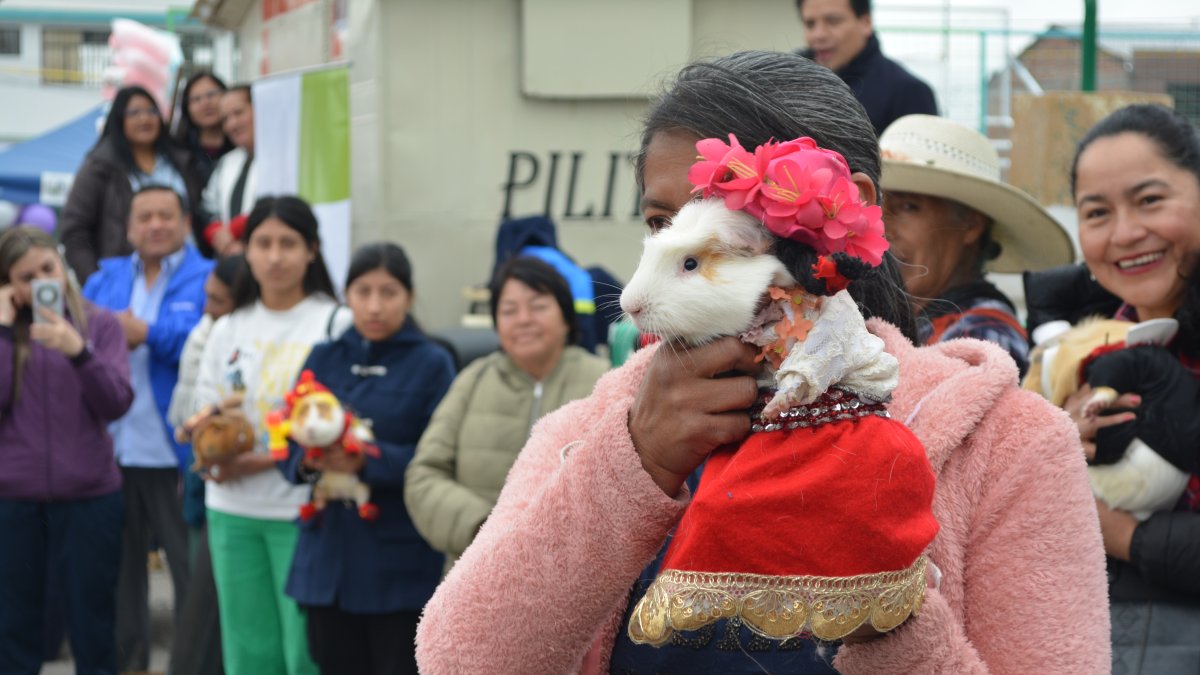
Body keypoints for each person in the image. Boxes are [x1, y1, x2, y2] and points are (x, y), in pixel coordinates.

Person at [414, 50, 1109, 674]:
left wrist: (888, 608)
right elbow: (459, 658)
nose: (675, 255)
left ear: (845, 211)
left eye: (722, 218)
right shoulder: (593, 423)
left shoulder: (1010, 446)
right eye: (661, 224)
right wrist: (632, 460)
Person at [1062, 103, 1200, 674]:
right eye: (1097, 212)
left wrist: (1118, 531)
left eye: (1150, 200)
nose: (1124, 234)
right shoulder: (1076, 350)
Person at [275, 242, 456, 675]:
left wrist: (367, 461)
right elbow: (287, 438)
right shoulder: (324, 356)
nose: (374, 306)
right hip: (326, 560)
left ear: (409, 297)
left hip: (398, 564)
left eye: (388, 292)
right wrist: (309, 460)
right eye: (362, 291)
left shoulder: (433, 363)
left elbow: (440, 456)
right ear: (346, 295)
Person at [192, 195, 347, 675]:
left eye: (288, 243)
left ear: (312, 251)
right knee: (248, 652)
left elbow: (343, 421)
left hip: (301, 511)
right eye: (263, 243)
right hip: (231, 511)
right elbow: (205, 402)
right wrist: (205, 439)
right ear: (246, 251)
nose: (275, 256)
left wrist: (262, 460)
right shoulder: (228, 327)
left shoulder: (334, 323)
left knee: (305, 654)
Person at [405, 257, 609, 575]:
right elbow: (424, 475)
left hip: (574, 575)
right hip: (477, 575)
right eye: (509, 310)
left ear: (566, 317)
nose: (523, 319)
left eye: (538, 306)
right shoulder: (472, 381)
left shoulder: (604, 382)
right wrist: (484, 529)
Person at [82, 184, 212, 671]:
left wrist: (148, 334)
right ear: (129, 226)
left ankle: (190, 664)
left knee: (188, 573)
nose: (155, 225)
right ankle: (129, 663)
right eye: (145, 217)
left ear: (183, 223)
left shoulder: (208, 276)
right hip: (111, 452)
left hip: (176, 452)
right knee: (119, 575)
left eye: (165, 215)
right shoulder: (103, 279)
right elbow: (79, 336)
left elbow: (211, 341)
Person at [0, 226, 133, 675]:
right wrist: (2, 332)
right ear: (8, 285)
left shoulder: (99, 324)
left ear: (62, 266)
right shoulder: (4, 334)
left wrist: (80, 354)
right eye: (25, 276)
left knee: (92, 622)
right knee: (14, 623)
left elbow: (116, 402)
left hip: (89, 496)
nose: (41, 282)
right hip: (14, 498)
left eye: (47, 269)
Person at [877, 114, 1074, 375]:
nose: (880, 226)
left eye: (908, 207)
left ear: (971, 224)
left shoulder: (981, 340)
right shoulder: (898, 321)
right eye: (876, 204)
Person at [167, 253, 244, 675]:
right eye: (206, 298)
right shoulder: (208, 332)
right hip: (204, 474)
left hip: (243, 485)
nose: (207, 308)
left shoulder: (238, 338)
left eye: (218, 300)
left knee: (218, 598)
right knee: (203, 590)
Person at [60, 85, 202, 282]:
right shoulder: (100, 166)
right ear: (119, 119)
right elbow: (74, 231)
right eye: (134, 112)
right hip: (127, 283)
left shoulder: (181, 161)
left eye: (151, 111)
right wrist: (97, 284)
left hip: (188, 277)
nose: (144, 118)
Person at [797, 0, 937, 135]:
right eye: (810, 24)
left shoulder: (909, 91)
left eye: (833, 21)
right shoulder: (793, 82)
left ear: (866, 23)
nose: (819, 35)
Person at [201, 85, 257, 258]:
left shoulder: (284, 156)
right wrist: (218, 234)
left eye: (238, 113)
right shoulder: (227, 162)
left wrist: (233, 231)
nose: (232, 124)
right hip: (229, 259)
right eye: (225, 119)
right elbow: (207, 206)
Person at [173, 73, 235, 218]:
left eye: (211, 94)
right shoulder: (178, 153)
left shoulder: (243, 147)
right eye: (196, 99)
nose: (205, 103)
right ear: (187, 108)